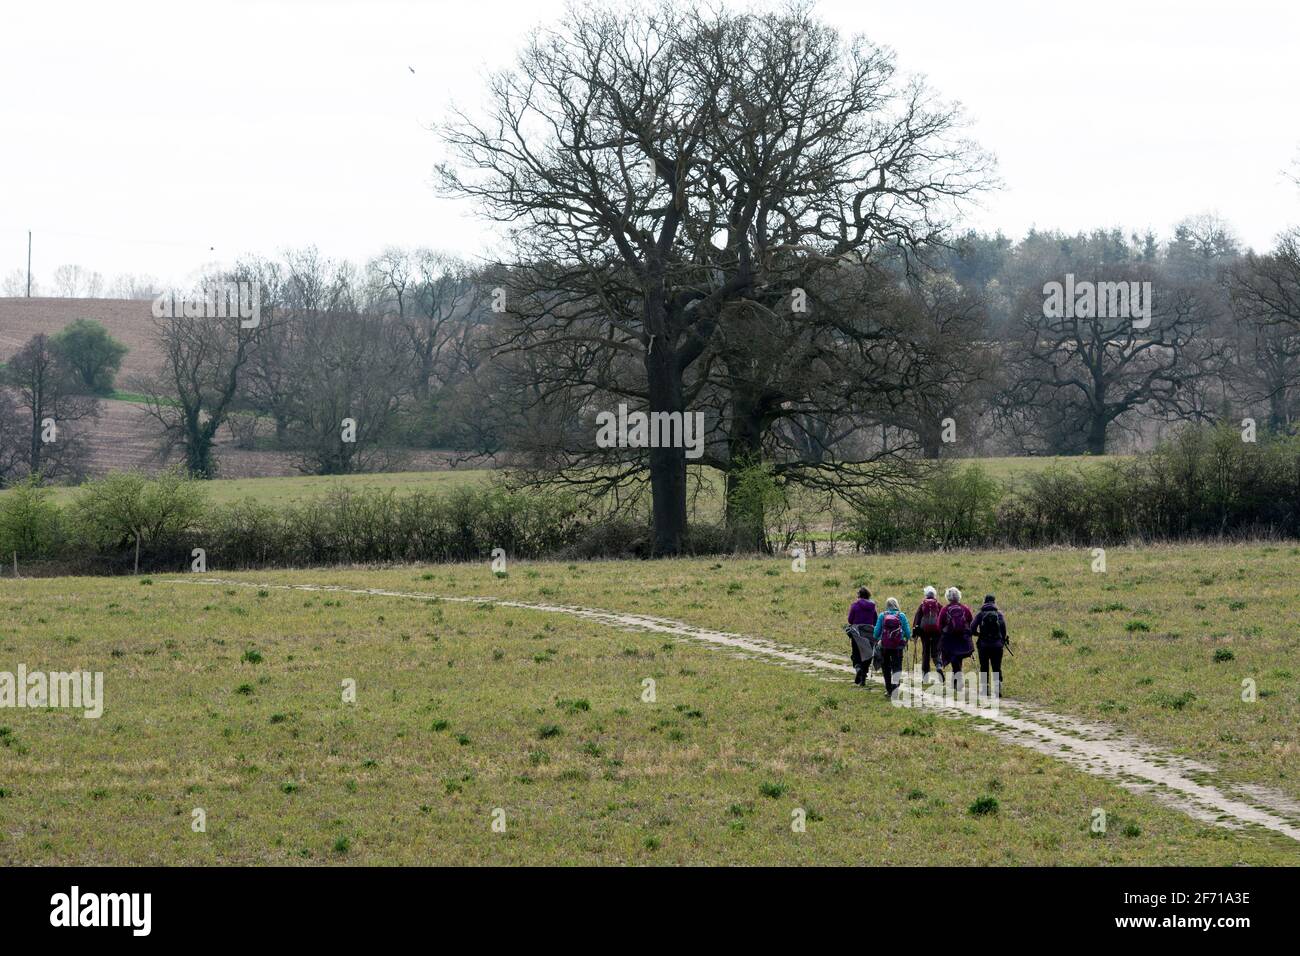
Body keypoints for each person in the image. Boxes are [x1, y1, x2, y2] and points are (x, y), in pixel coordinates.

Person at [937, 586, 974, 695]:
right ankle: (956, 680)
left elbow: (939, 625)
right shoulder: (964, 608)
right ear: (958, 596)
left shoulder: (945, 609)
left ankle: (957, 681)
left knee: (954, 658)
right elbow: (970, 620)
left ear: (948, 597)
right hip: (962, 638)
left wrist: (943, 633)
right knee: (959, 658)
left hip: (950, 638)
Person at [872, 597, 912, 699]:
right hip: (898, 645)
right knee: (897, 666)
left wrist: (877, 639)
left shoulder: (882, 615)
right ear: (896, 605)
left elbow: (876, 633)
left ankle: (889, 689)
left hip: (884, 645)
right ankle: (895, 686)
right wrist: (907, 639)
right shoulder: (901, 616)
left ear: (887, 605)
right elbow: (908, 633)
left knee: (886, 667)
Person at [972, 594, 1008, 698]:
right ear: (994, 602)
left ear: (984, 601)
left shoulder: (980, 614)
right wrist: (1001, 640)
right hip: (997, 646)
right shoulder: (999, 614)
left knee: (984, 666)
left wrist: (979, 634)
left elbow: (972, 628)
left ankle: (984, 689)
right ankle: (997, 689)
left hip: (983, 645)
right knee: (996, 666)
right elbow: (1003, 630)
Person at [846, 587, 878, 686]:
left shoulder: (855, 605)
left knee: (856, 653)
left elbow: (850, 620)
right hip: (869, 632)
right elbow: (875, 620)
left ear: (859, 595)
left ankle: (858, 668)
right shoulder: (872, 606)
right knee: (868, 654)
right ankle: (863, 677)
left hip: (857, 632)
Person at [914, 585, 945, 685]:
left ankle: (925, 676)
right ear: (934, 595)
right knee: (936, 651)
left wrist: (915, 633)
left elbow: (917, 619)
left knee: (925, 653)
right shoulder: (938, 605)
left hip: (925, 633)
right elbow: (943, 618)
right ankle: (939, 666)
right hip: (937, 632)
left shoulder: (922, 605)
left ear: (926, 595)